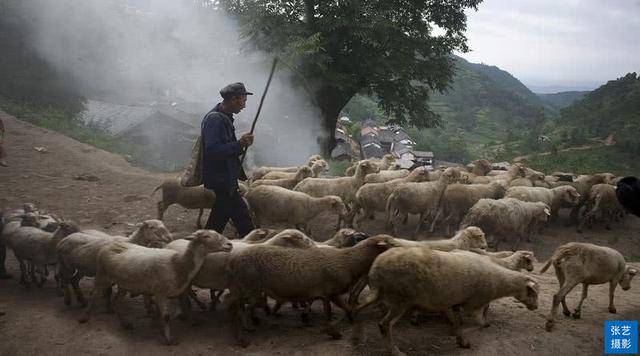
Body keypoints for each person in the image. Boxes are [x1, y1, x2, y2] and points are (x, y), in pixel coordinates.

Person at [201, 82, 256, 238]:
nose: (244, 106)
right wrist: (240, 144)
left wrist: (240, 143)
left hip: (225, 180)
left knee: (218, 219)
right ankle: (254, 251)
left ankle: (202, 246)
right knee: (243, 219)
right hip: (222, 179)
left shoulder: (224, 116)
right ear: (233, 99)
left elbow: (223, 146)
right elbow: (212, 150)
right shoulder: (215, 120)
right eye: (243, 101)